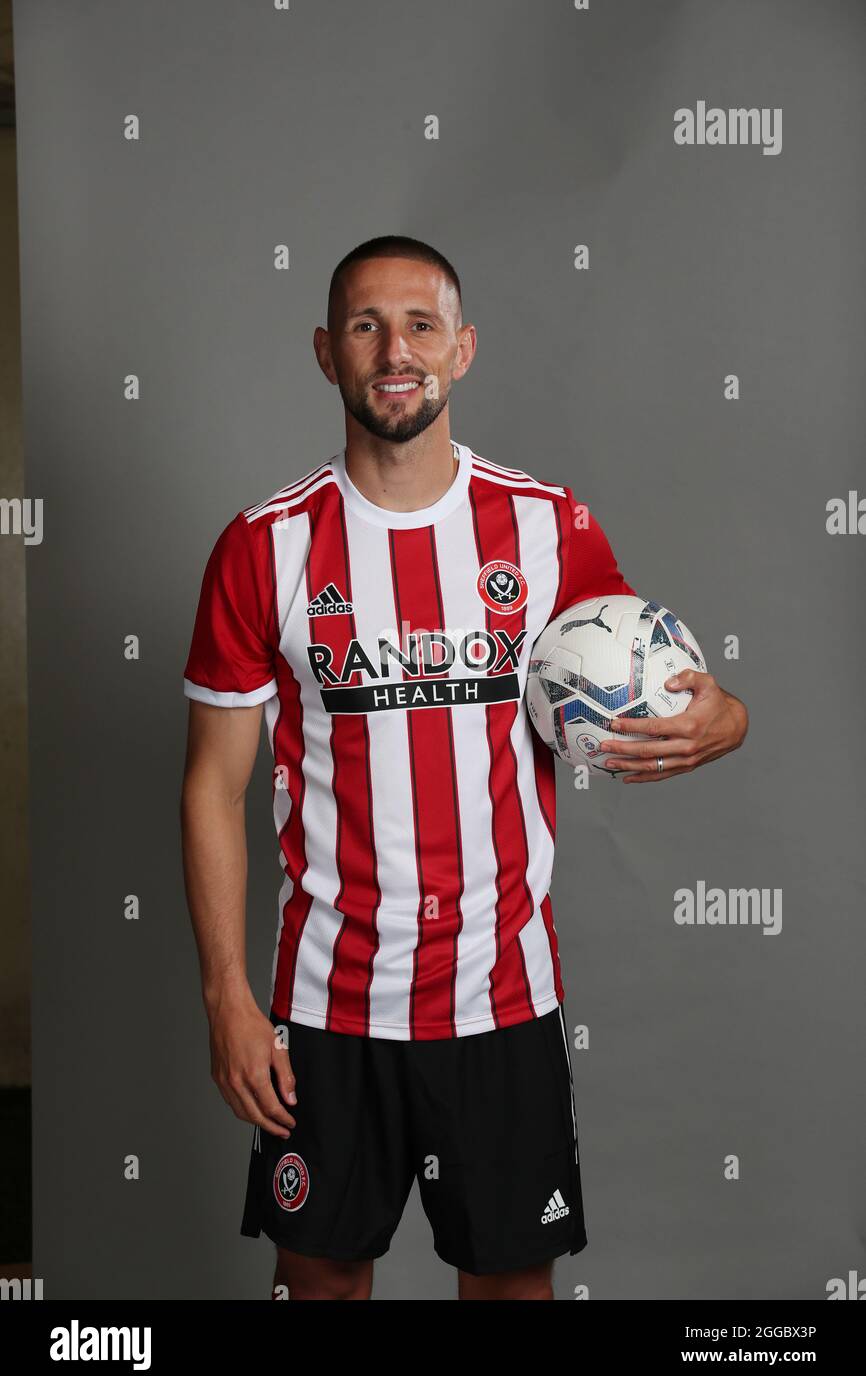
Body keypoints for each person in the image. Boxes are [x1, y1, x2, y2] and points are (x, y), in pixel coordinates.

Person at [180, 235, 749, 1301]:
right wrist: (224, 995)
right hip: (328, 1007)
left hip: (501, 1000)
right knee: (320, 1285)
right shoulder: (264, 547)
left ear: (463, 347)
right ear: (324, 352)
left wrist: (726, 717)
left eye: (420, 323)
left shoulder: (546, 527)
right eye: (363, 325)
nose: (394, 349)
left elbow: (648, 681)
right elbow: (211, 783)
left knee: (505, 1291)